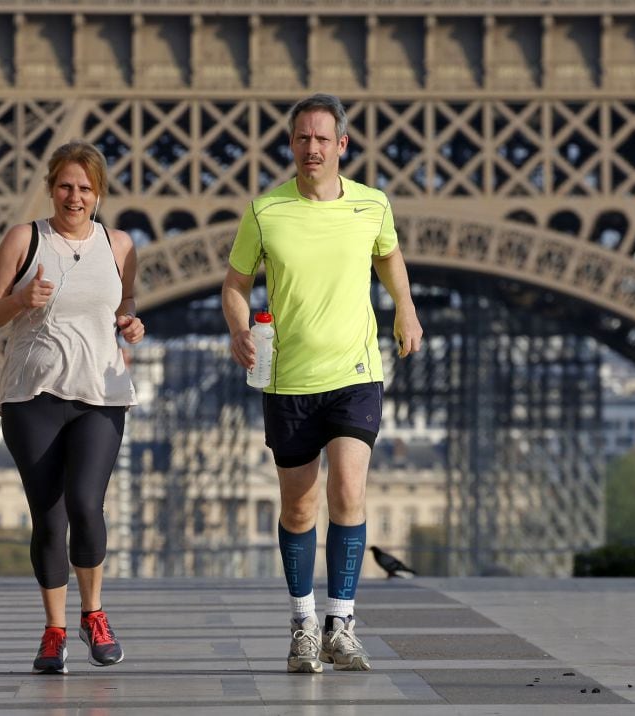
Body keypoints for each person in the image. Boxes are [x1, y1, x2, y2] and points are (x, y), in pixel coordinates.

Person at [222, 94, 423, 673]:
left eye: (321, 139)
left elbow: (390, 259)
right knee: (300, 507)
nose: (312, 148)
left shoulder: (373, 205)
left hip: (356, 372)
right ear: (292, 146)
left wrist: (404, 308)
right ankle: (303, 621)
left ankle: (342, 621)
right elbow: (235, 284)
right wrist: (240, 329)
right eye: (302, 139)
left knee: (348, 493)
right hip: (289, 379)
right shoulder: (266, 211)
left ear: (342, 145)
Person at [0, 140, 145, 674]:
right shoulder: (24, 239)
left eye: (85, 188)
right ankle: (53, 632)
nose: (75, 197)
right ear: (52, 187)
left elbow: (126, 302)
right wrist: (20, 301)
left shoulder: (118, 245)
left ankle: (93, 614)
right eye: (66, 186)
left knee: (85, 505)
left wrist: (130, 323)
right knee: (48, 518)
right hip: (33, 396)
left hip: (99, 394)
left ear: (99, 193)